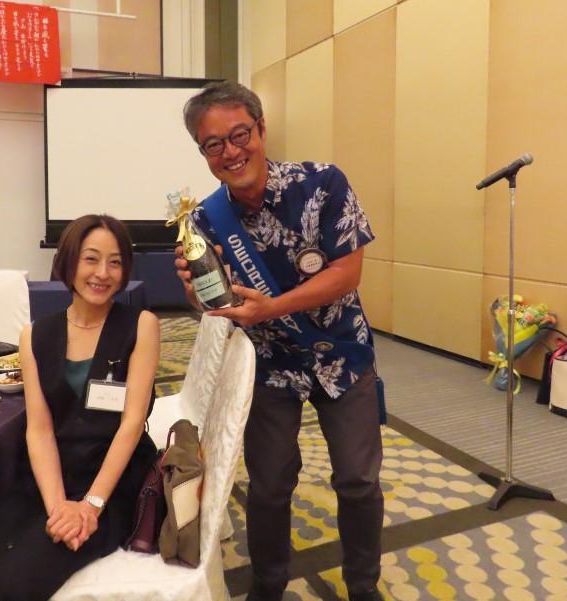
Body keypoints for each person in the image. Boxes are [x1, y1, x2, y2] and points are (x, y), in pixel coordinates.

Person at [174, 81, 384, 601]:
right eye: (213, 144)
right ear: (203, 153)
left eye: (239, 134)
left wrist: (272, 307)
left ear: (262, 129)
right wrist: (198, 295)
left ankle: (363, 586)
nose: (230, 152)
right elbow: (214, 304)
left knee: (358, 479)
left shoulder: (323, 184)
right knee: (268, 485)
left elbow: (348, 272)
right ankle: (268, 586)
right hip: (268, 364)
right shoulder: (204, 221)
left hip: (341, 350)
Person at [0, 214, 160, 601]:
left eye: (115, 262)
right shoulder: (35, 335)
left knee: (14, 584)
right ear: (69, 261)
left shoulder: (140, 325)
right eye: (91, 259)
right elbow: (40, 430)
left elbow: (131, 424)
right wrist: (59, 506)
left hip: (113, 482)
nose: (103, 273)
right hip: (50, 477)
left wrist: (90, 506)